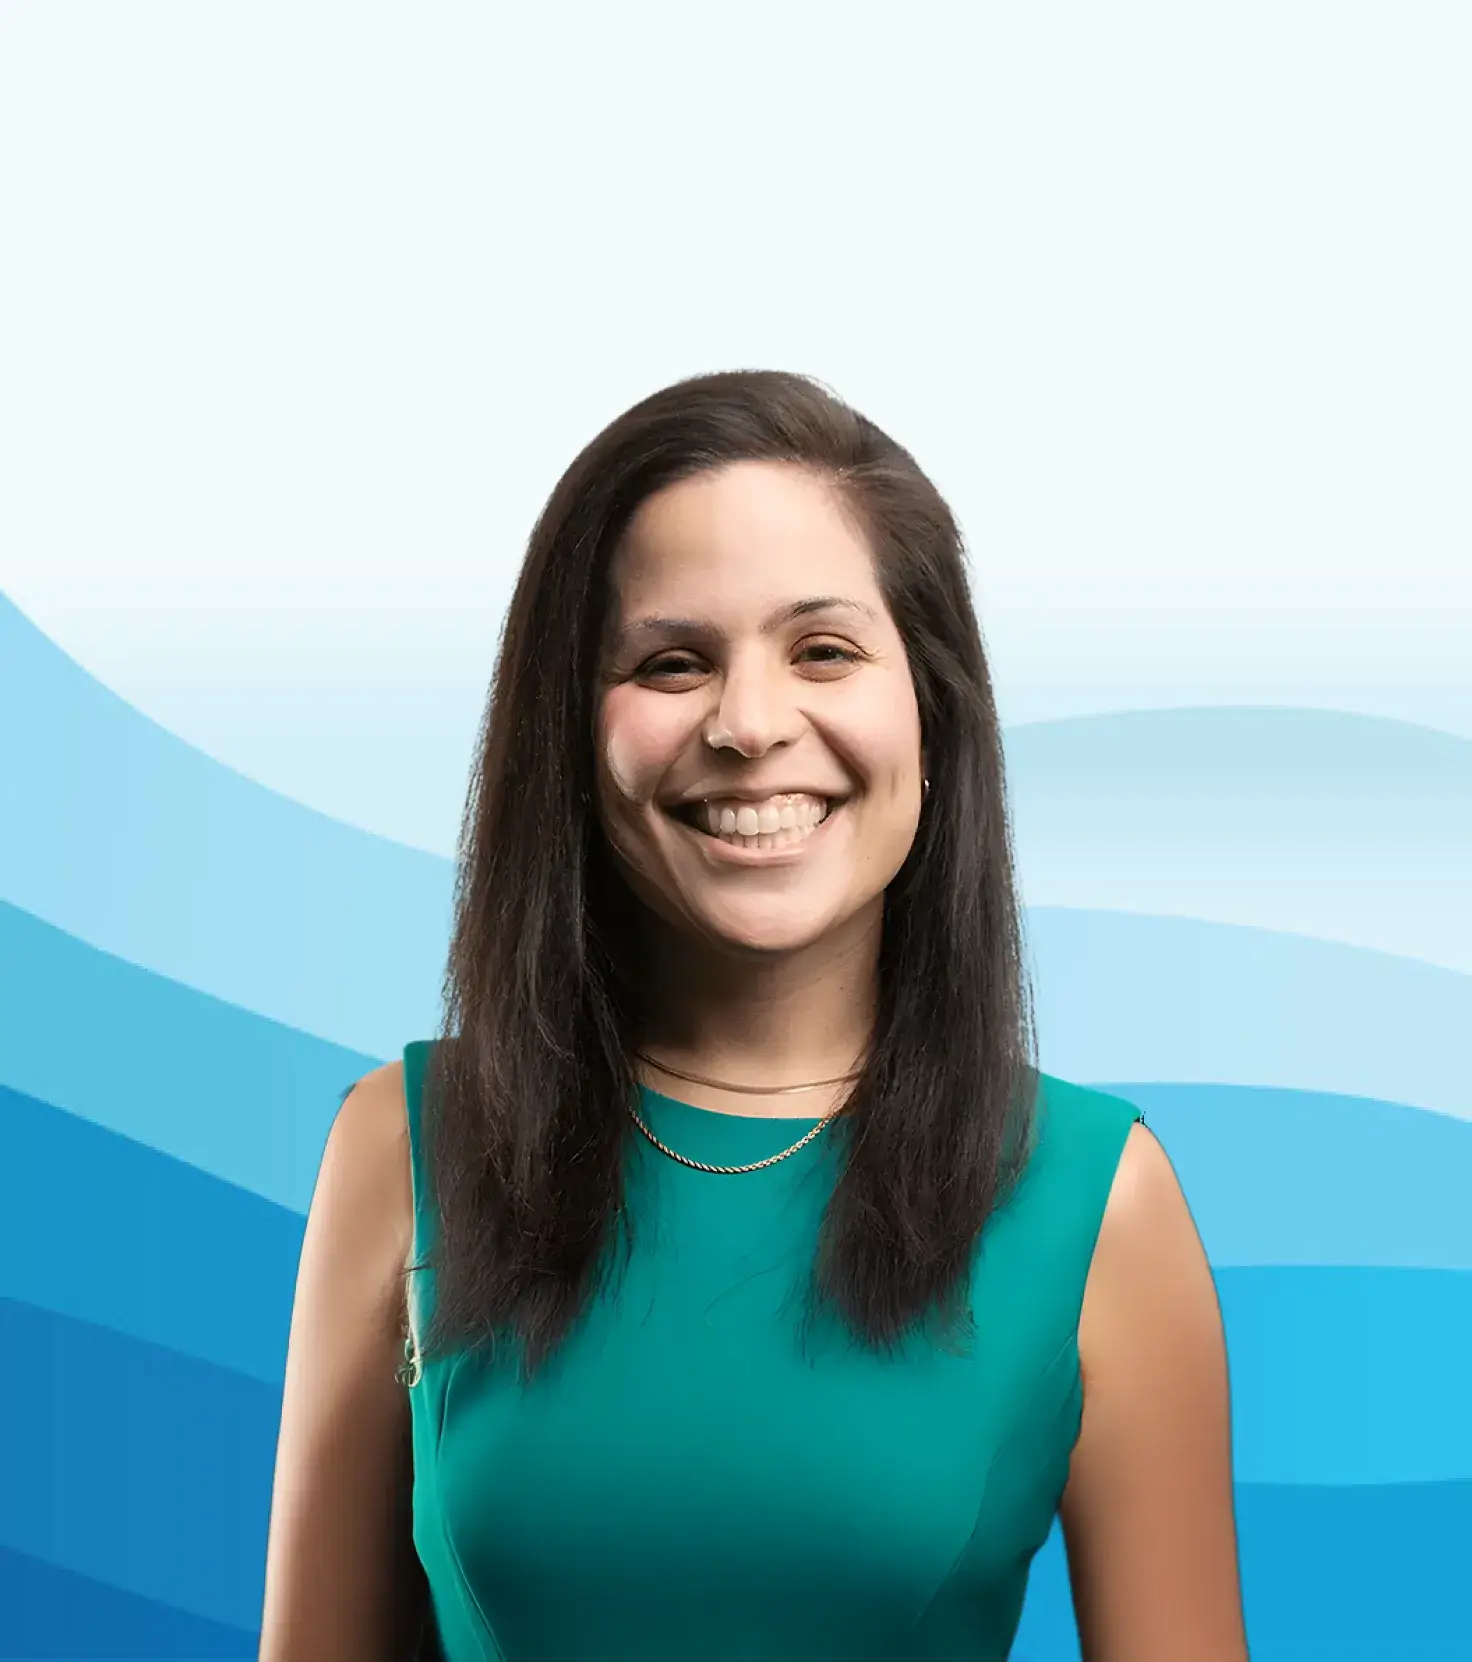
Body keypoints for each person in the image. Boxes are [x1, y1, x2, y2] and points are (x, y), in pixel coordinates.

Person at [259, 369, 1248, 1661]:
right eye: (673, 660)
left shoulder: (1091, 1198)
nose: (750, 722)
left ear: (932, 712)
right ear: (570, 730)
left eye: (823, 649)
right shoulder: (407, 1144)